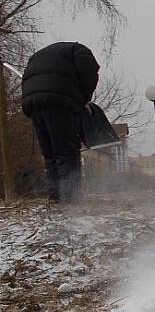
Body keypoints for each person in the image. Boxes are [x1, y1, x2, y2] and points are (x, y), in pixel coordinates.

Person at [21, 42, 100, 202]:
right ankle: (71, 197)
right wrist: (84, 99)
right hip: (59, 103)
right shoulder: (80, 50)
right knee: (66, 151)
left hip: (32, 103)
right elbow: (90, 73)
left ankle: (55, 196)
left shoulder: (38, 56)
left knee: (50, 153)